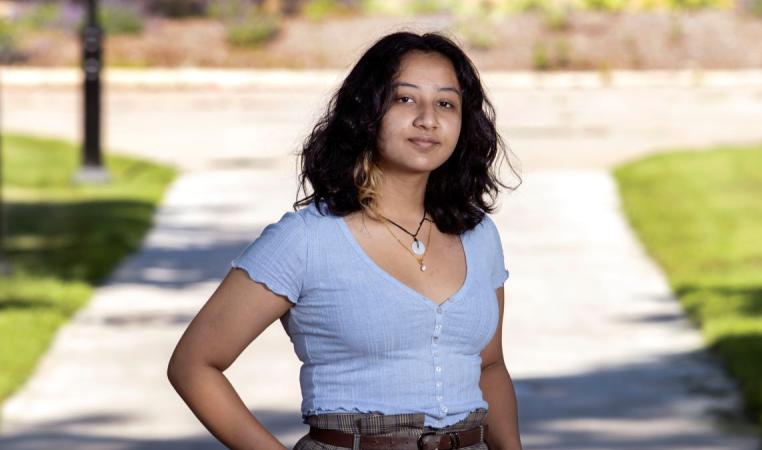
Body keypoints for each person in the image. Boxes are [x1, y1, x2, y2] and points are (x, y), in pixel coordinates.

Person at [167, 30, 523, 450]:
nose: (428, 118)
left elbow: (490, 366)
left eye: (446, 103)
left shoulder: (479, 236)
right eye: (405, 99)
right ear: (367, 112)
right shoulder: (306, 240)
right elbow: (193, 364)